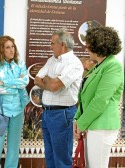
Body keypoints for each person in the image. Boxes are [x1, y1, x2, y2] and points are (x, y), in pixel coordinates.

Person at [73, 26, 124, 168]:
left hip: (102, 126)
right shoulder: (98, 66)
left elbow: (100, 100)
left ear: (99, 45)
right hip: (92, 125)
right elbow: (85, 98)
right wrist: (77, 120)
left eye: (89, 45)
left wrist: (81, 124)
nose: (86, 49)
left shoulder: (113, 66)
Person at [34, 28, 83, 168]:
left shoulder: (74, 63)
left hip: (62, 115)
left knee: (61, 158)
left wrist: (50, 82)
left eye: (52, 43)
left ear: (62, 45)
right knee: (50, 155)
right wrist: (51, 82)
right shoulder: (51, 60)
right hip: (47, 113)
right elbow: (37, 80)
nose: (50, 47)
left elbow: (55, 86)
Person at [0, 35, 29, 168]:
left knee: (14, 146)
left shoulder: (20, 64)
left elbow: (24, 82)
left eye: (13, 47)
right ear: (1, 50)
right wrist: (15, 86)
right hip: (0, 110)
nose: (11, 50)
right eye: (8, 47)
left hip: (18, 109)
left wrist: (3, 83)